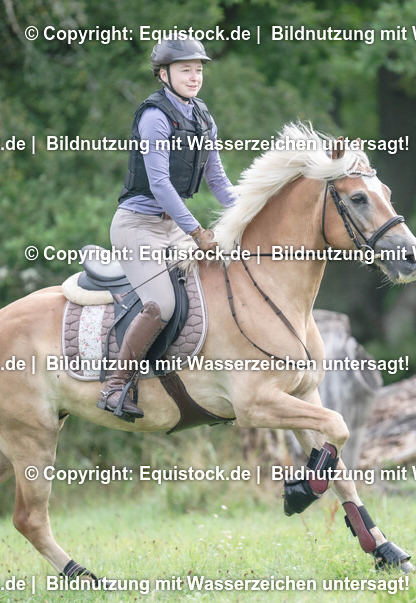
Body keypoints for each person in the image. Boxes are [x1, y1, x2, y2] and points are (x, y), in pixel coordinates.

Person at [97, 37, 237, 420]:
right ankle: (115, 384)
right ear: (164, 74)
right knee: (164, 304)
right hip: (137, 227)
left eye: (199, 69)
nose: (194, 77)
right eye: (185, 70)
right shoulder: (155, 116)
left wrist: (251, 215)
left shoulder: (203, 118)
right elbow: (160, 184)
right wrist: (197, 232)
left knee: (221, 280)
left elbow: (220, 183)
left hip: (173, 226)